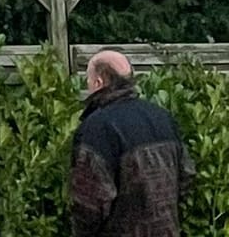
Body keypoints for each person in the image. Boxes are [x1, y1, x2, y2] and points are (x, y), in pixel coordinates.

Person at [71, 49, 194, 237]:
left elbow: (89, 206)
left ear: (98, 82)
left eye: (88, 80)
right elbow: (186, 178)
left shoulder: (96, 128)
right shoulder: (163, 118)